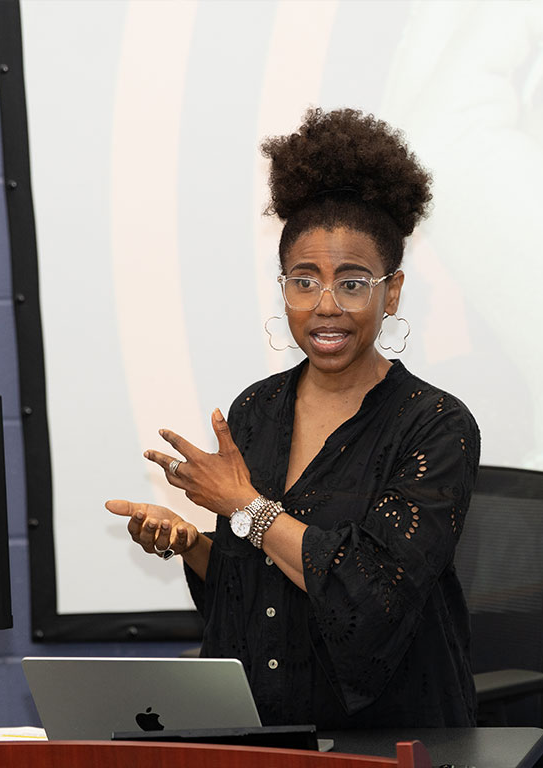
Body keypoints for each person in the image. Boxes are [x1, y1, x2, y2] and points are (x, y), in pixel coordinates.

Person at [106, 108, 480, 728]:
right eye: (304, 281)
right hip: (267, 726)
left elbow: (372, 598)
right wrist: (192, 544)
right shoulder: (258, 409)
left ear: (392, 292)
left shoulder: (436, 425)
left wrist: (244, 507)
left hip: (392, 734)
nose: (325, 306)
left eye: (352, 283)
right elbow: (256, 579)